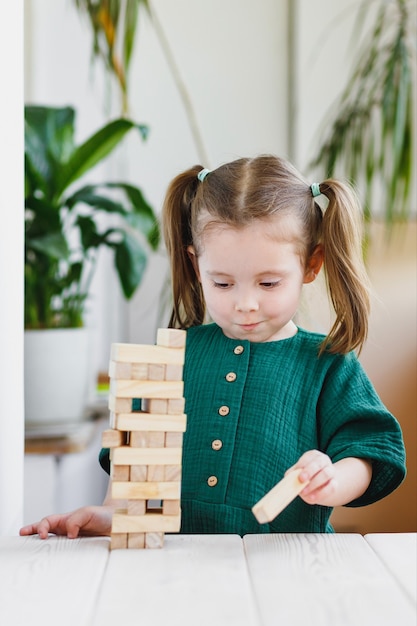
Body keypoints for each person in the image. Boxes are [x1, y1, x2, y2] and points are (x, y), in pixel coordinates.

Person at [20, 155, 406, 539]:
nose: (245, 303)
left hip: (286, 572)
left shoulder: (328, 363)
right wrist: (110, 517)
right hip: (177, 573)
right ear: (195, 265)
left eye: (268, 283)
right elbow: (132, 491)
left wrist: (334, 478)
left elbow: (369, 451)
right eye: (222, 283)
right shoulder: (168, 361)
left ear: (311, 265)